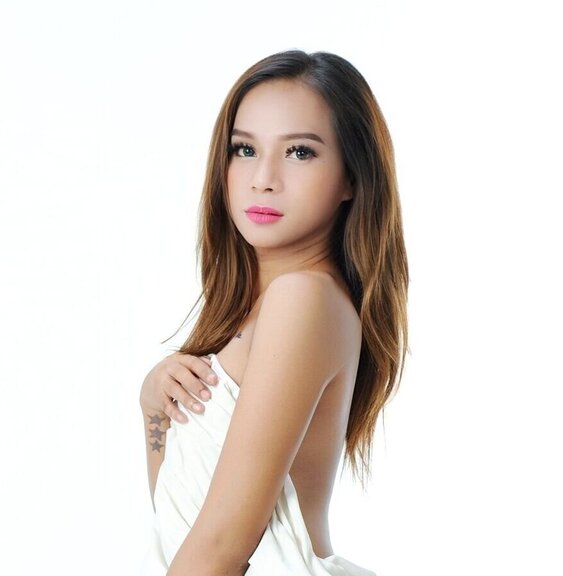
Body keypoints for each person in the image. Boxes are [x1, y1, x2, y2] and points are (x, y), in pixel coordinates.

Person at [138, 49, 408, 576]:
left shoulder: (304, 298)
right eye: (244, 149)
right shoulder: (250, 309)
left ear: (352, 177)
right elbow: (179, 523)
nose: (263, 178)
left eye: (299, 152)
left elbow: (223, 544)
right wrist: (153, 408)